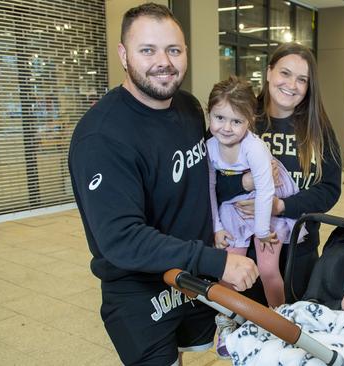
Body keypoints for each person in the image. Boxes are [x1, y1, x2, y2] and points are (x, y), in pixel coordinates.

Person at [67, 3, 258, 365]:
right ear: (123, 55)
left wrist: (241, 184)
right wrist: (216, 261)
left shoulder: (187, 107)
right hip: (140, 291)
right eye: (147, 50)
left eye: (173, 49)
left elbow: (201, 182)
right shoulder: (101, 136)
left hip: (191, 279)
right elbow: (121, 238)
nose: (164, 61)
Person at [216, 42, 342, 305]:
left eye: (302, 79)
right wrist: (244, 182)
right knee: (244, 330)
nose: (291, 84)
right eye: (285, 73)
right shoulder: (238, 119)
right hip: (244, 250)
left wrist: (280, 205)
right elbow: (210, 182)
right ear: (269, 72)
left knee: (292, 331)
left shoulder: (318, 131)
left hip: (299, 250)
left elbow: (329, 189)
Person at [205, 76, 306, 358]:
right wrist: (216, 228)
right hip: (234, 206)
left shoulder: (254, 148)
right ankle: (227, 321)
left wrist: (262, 231)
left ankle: (283, 321)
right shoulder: (210, 147)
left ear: (250, 120)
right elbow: (210, 189)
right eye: (219, 118)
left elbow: (265, 191)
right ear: (209, 114)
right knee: (228, 269)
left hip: (266, 204)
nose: (226, 127)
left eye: (236, 121)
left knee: (268, 269)